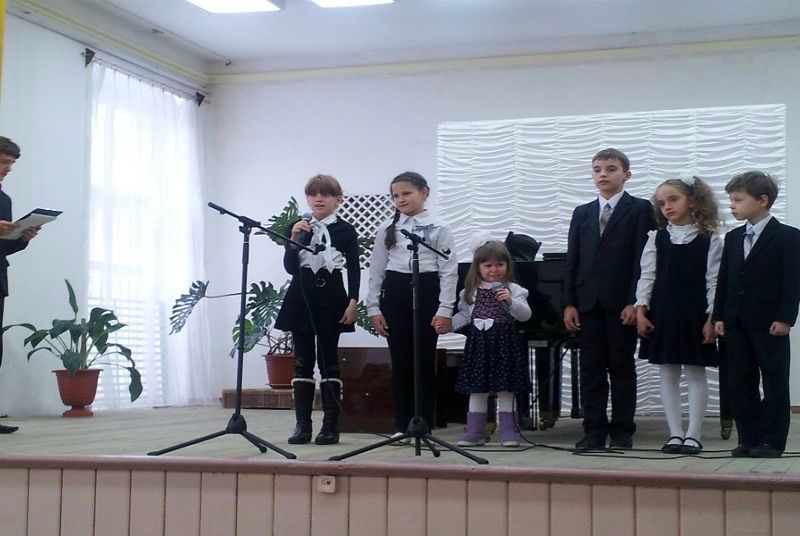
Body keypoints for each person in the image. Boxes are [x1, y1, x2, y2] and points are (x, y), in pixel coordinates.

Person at [563, 148, 655, 450]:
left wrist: (635, 301)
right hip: (587, 303)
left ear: (626, 174)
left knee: (621, 367)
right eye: (597, 169)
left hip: (621, 304)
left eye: (611, 169)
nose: (603, 174)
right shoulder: (582, 212)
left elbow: (643, 259)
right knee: (591, 369)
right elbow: (573, 260)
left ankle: (622, 430)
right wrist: (569, 302)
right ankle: (593, 431)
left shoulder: (640, 209)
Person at [713, 171, 800, 458]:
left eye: (738, 200)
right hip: (735, 321)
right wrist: (719, 316)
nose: (732, 205)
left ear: (762, 200)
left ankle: (772, 441)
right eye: (731, 200)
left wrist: (785, 318)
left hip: (770, 322)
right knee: (740, 381)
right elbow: (725, 280)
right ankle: (748, 438)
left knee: (774, 381)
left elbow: (792, 282)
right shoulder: (734, 237)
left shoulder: (788, 237)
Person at [635, 174, 722, 455]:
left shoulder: (710, 239)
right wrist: (641, 310)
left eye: (673, 199)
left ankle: (694, 434)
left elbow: (713, 281)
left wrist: (711, 318)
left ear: (693, 201)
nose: (667, 207)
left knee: (696, 372)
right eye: (662, 203)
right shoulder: (657, 238)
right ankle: (675, 433)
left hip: (695, 313)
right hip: (663, 312)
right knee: (668, 372)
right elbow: (647, 276)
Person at [367, 171, 457, 437]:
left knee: (423, 361)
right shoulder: (387, 228)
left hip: (427, 290)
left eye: (406, 193)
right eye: (395, 195)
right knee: (400, 362)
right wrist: (374, 307)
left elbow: (449, 271)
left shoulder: (439, 227)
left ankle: (423, 424)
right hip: (396, 292)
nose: (401, 199)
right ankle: (401, 425)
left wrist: (445, 308)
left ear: (424, 192)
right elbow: (377, 270)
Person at [274, 174, 360, 445]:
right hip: (301, 294)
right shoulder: (297, 226)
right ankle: (302, 425)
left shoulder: (345, 230)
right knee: (302, 361)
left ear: (338, 199)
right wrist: (293, 240)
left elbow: (354, 267)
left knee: (328, 360)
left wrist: (353, 301)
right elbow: (290, 267)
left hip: (331, 295)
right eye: (313, 194)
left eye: (325, 194)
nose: (318, 199)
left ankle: (330, 425)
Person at [450, 238, 532, 447]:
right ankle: (474, 431)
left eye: (499, 265)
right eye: (488, 265)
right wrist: (448, 325)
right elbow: (465, 316)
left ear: (507, 266)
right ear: (478, 267)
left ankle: (509, 431)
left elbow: (525, 315)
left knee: (506, 388)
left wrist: (511, 301)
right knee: (477, 388)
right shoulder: (469, 291)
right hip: (479, 346)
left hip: (504, 344)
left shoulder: (514, 289)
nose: (494, 270)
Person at [0, 136, 41, 434]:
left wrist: (21, 238)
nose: (7, 169)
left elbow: (3, 247)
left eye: (10, 165)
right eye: (3, 162)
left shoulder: (4, 200)